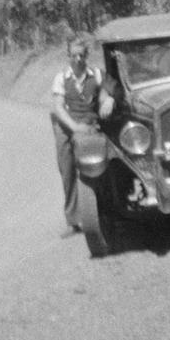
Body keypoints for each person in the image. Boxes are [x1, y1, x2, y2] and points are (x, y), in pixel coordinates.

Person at [50, 36, 115, 232]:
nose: (78, 59)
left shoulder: (96, 74)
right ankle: (72, 220)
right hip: (67, 125)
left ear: (86, 56)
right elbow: (59, 108)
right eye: (74, 55)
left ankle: (103, 212)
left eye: (81, 55)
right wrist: (73, 127)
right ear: (68, 56)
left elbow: (107, 93)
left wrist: (108, 100)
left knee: (100, 162)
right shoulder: (61, 78)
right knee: (67, 169)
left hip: (89, 123)